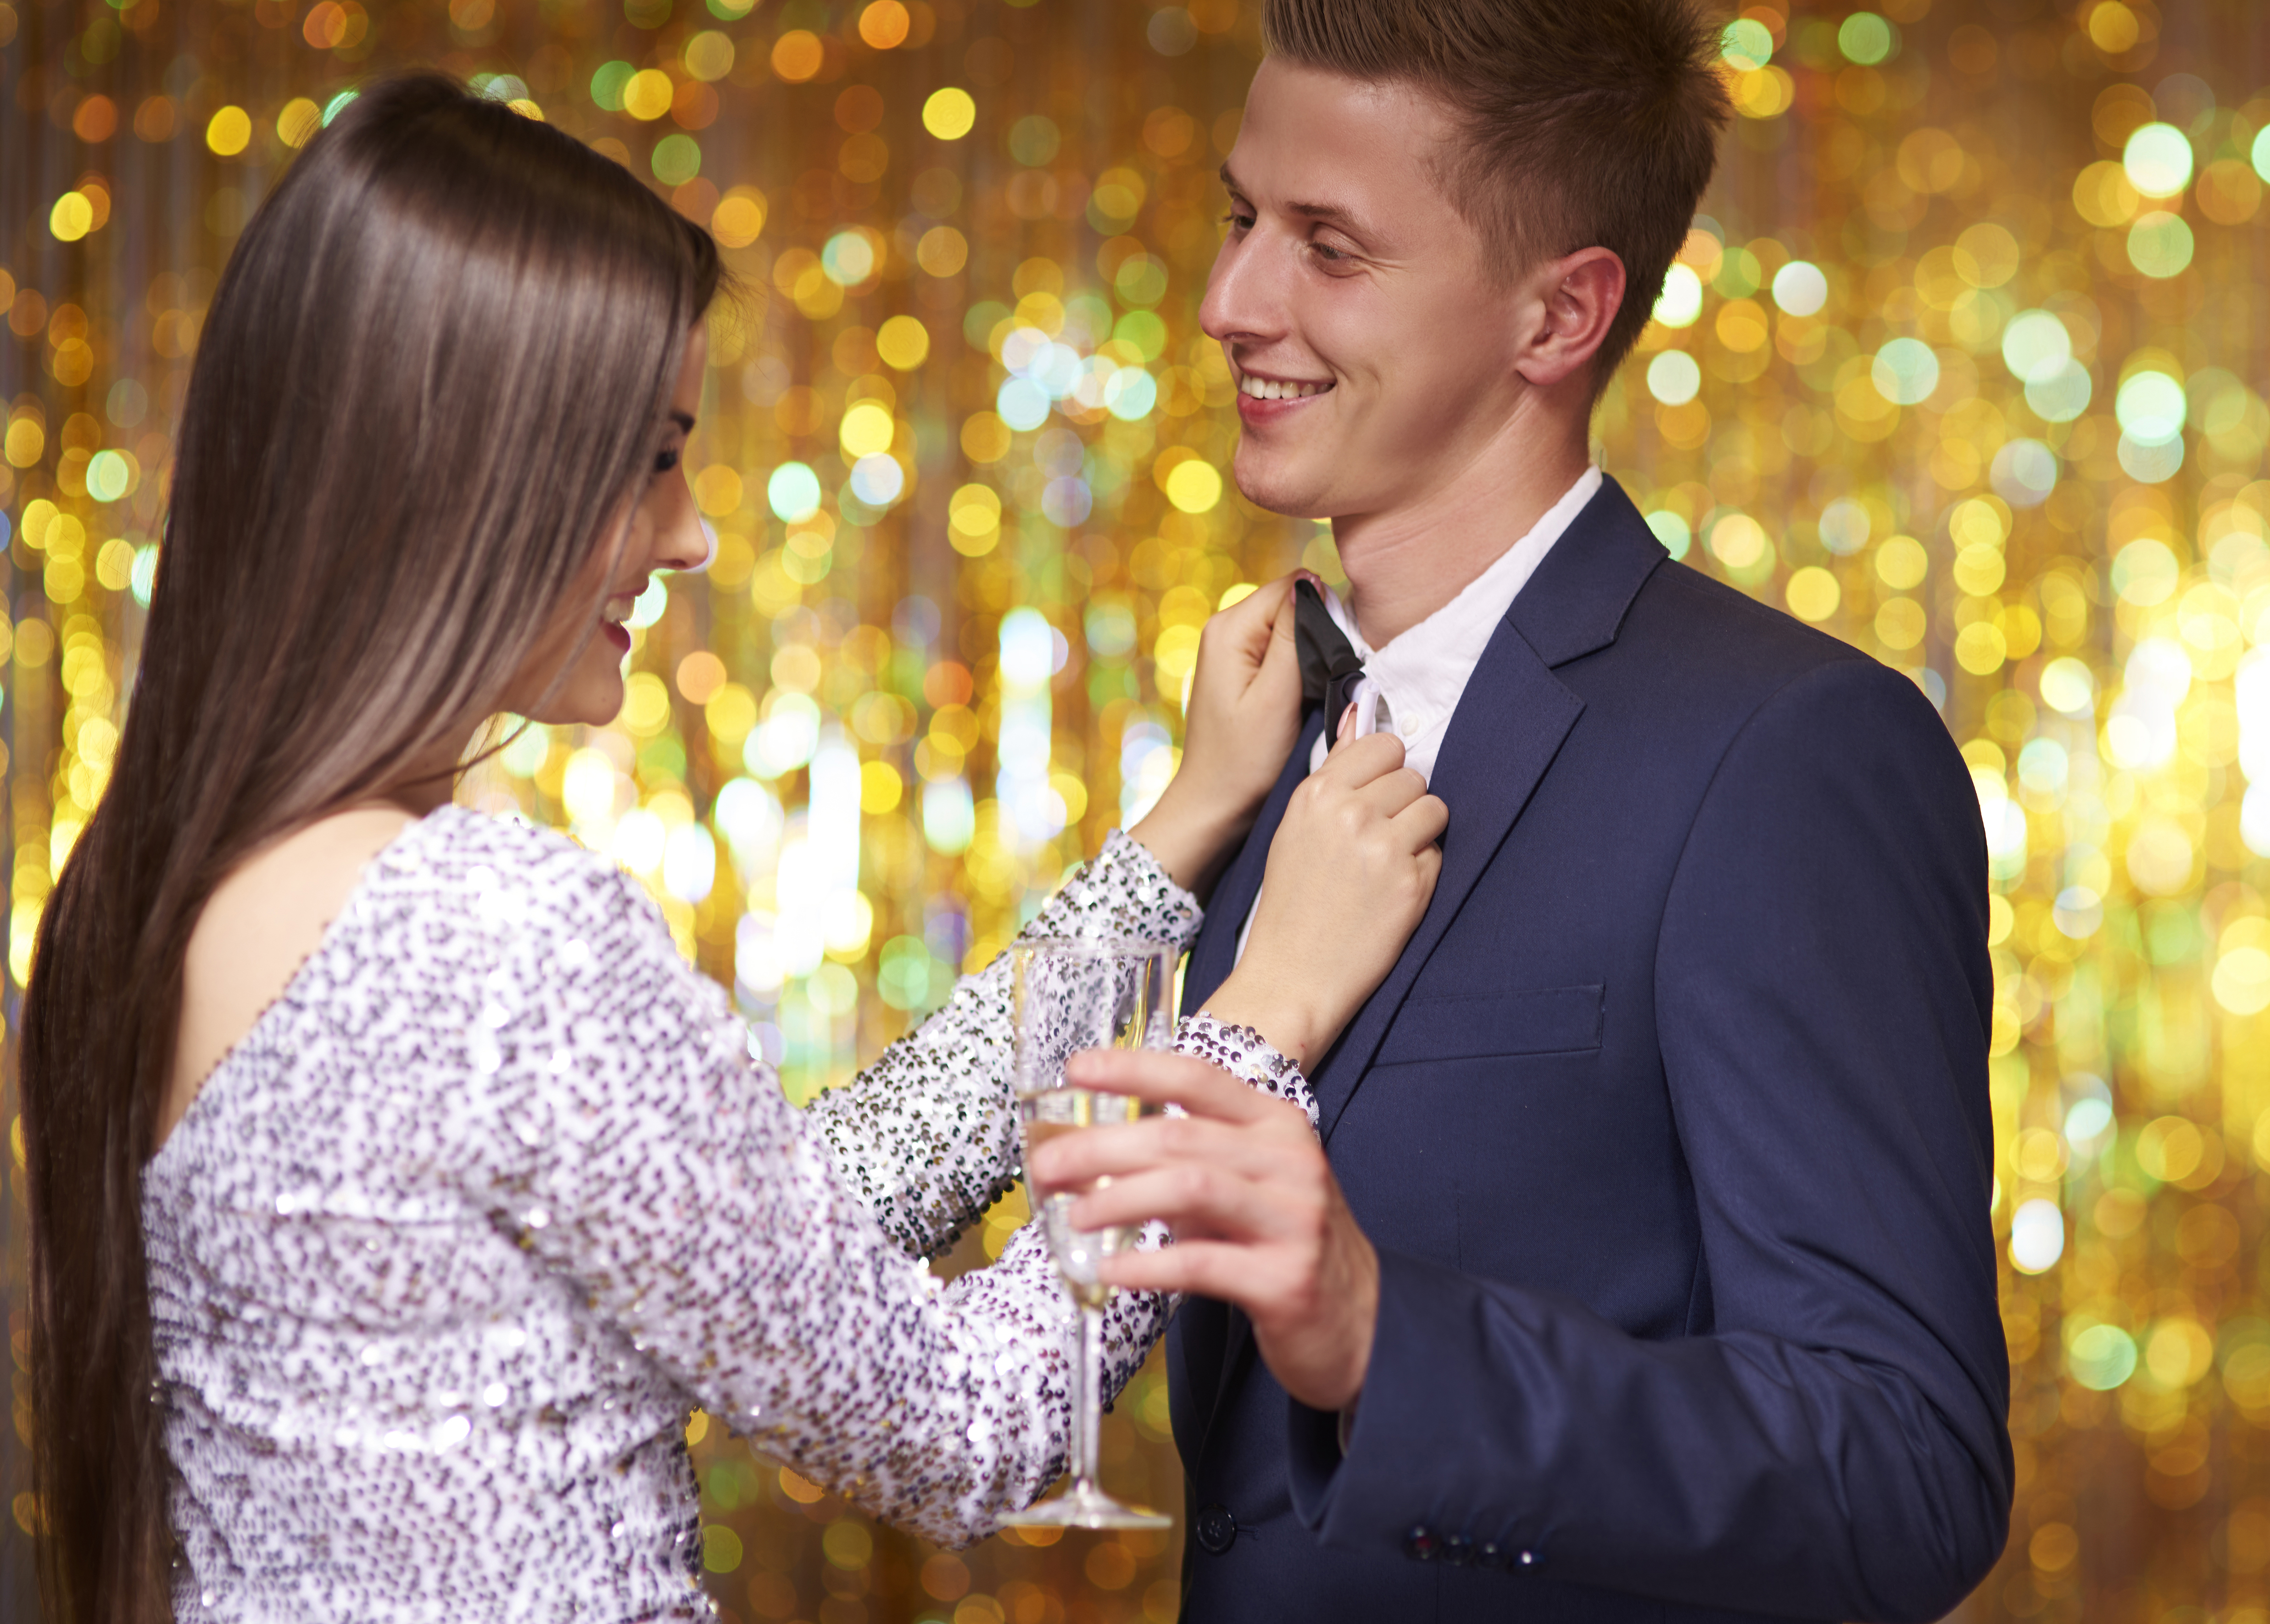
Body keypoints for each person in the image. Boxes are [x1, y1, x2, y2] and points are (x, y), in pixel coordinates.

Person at [17, 75, 1447, 1623]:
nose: (692, 533)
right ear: (470, 465)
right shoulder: (483, 934)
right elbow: (960, 1429)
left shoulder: (170, 891)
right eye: (651, 456)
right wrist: (1266, 1015)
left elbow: (786, 1220)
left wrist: (1173, 841)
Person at [1030, 3, 2014, 1620]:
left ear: (1559, 315)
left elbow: (1904, 1464)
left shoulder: (1787, 750)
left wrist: (1382, 1339)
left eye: (1327, 248)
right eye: (1240, 220)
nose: (1227, 303)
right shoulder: (1260, 747)